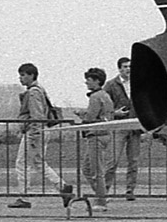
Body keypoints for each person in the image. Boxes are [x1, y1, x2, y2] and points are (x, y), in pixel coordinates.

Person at [7, 62, 73, 210]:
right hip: (40, 131)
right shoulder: (39, 90)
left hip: (34, 131)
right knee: (38, 163)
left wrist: (34, 136)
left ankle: (23, 196)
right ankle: (62, 187)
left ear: (31, 75)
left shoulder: (33, 92)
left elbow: (37, 115)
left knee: (22, 163)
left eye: (23, 75)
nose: (21, 78)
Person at [77, 67, 116, 212]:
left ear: (97, 81)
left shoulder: (95, 97)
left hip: (96, 135)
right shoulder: (105, 95)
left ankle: (101, 201)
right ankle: (102, 195)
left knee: (94, 170)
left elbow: (90, 118)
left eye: (89, 79)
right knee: (88, 168)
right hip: (104, 134)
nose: (86, 82)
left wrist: (82, 116)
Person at [102, 56, 140, 201]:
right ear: (119, 69)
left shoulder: (138, 83)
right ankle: (104, 189)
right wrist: (114, 113)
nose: (128, 69)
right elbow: (104, 102)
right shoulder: (111, 84)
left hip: (135, 126)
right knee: (113, 160)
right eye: (125, 67)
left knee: (134, 161)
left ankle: (130, 190)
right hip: (119, 126)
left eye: (130, 66)